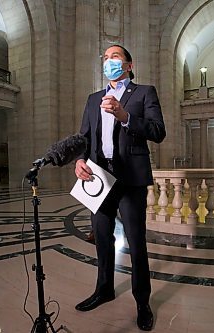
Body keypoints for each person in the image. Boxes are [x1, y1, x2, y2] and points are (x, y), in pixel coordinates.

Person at [74, 44, 166, 331]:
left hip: (131, 177)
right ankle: (104, 289)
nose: (109, 61)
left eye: (115, 57)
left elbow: (158, 132)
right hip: (99, 178)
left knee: (136, 242)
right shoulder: (93, 99)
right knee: (102, 238)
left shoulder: (144, 93)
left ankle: (142, 301)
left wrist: (126, 117)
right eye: (105, 58)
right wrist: (79, 161)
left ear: (128, 64)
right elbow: (84, 138)